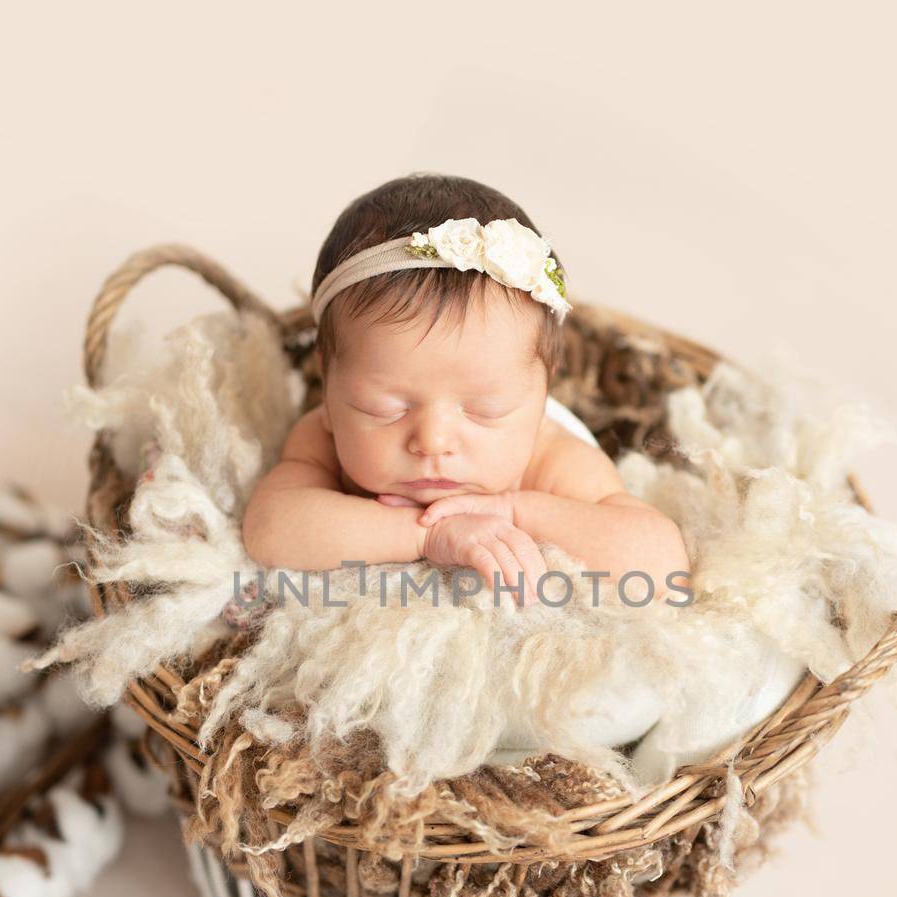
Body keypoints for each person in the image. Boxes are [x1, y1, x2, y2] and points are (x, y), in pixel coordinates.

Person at [241, 173, 690, 608]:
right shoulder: (323, 434)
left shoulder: (551, 458)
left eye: (484, 410)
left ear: (543, 389)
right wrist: (426, 534)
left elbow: (660, 561)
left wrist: (515, 513)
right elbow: (272, 528)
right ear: (327, 378)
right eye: (385, 407)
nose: (433, 441)